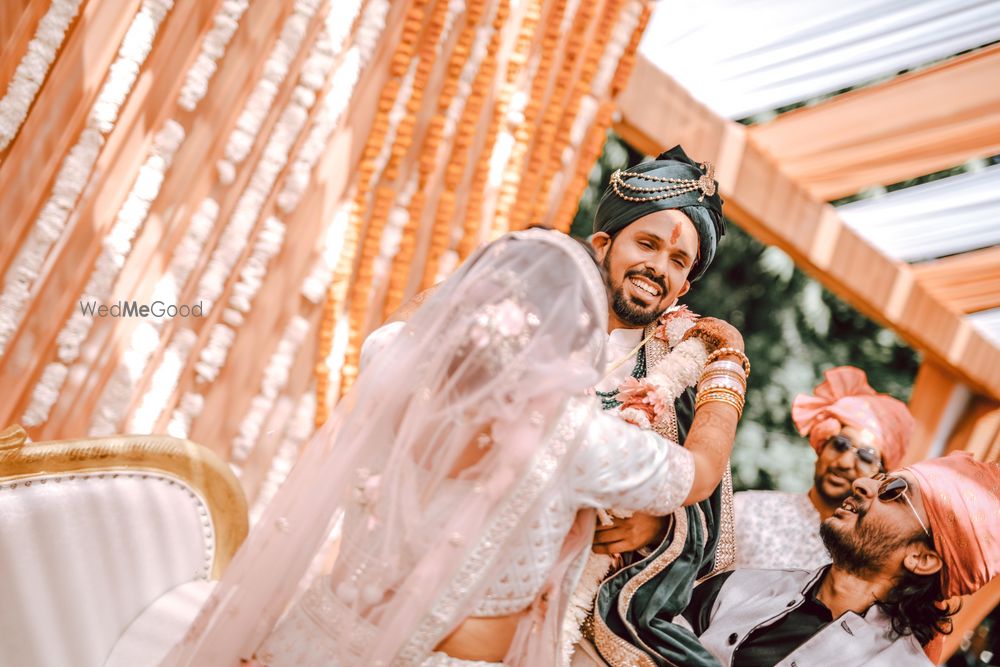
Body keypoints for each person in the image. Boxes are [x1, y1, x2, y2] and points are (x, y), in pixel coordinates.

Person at [165, 228, 742, 666]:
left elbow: (416, 322)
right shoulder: (573, 435)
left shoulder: (395, 368)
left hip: (315, 639)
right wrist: (727, 367)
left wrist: (504, 279)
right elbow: (697, 476)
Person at [577, 146, 742, 667]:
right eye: (646, 243)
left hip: (589, 603)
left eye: (677, 260)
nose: (657, 268)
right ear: (603, 243)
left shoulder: (680, 361)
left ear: (687, 283)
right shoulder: (539, 315)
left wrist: (662, 529)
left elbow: (713, 522)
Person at [681, 451, 1000, 666]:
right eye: (880, 477)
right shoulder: (739, 587)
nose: (862, 484)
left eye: (893, 491)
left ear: (922, 557)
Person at [733, 366, 914, 570]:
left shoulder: (867, 559)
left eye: (865, 456)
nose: (844, 463)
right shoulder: (747, 510)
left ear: (880, 476)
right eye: (840, 444)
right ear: (822, 446)